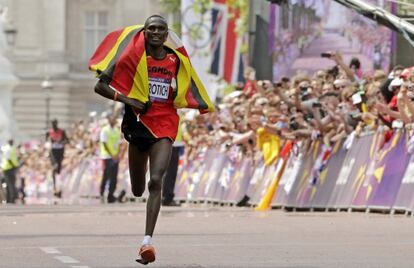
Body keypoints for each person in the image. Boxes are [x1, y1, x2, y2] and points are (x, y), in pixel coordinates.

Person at [90, 15, 214, 264]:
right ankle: (139, 191)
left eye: (161, 29)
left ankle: (147, 242)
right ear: (144, 33)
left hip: (165, 123)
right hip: (137, 126)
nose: (156, 32)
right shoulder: (130, 59)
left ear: (167, 33)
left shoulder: (176, 61)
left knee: (155, 181)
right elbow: (99, 87)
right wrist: (129, 101)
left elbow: (188, 87)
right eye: (151, 29)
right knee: (137, 189)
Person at [99, 116, 122, 203]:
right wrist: (112, 154)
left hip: (115, 157)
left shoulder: (117, 130)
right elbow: (104, 143)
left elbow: (119, 143)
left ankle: (110, 195)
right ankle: (102, 192)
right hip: (107, 156)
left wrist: (117, 154)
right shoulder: (104, 130)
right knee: (108, 176)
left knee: (113, 177)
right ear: (109, 120)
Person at [45, 119, 68, 197]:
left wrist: (61, 141)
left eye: (55, 124)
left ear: (57, 124)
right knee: (55, 166)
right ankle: (54, 187)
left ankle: (58, 187)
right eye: (52, 124)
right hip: (52, 152)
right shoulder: (49, 132)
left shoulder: (62, 131)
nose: (54, 125)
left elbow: (67, 141)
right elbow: (46, 142)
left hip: (60, 151)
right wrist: (50, 142)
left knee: (58, 170)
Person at [1, 139, 19, 203]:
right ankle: (11, 199)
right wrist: (14, 166)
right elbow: (9, 159)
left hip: (7, 168)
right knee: (11, 184)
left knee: (9, 184)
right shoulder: (10, 149)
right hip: (9, 168)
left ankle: (9, 199)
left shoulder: (7, 148)